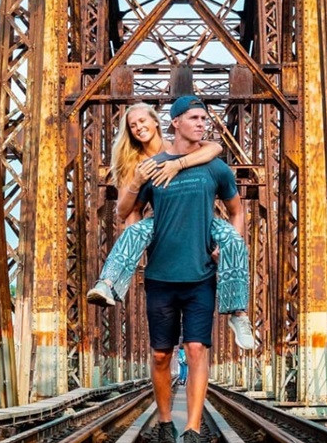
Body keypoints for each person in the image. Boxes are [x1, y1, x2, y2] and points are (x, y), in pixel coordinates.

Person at [126, 95, 244, 443]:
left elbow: (237, 210)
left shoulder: (215, 168)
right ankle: (165, 424)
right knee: (162, 355)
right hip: (160, 277)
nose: (201, 123)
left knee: (196, 349)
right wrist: (140, 239)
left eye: (204, 118)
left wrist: (229, 245)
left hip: (200, 277)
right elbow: (127, 210)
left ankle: (191, 429)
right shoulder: (152, 167)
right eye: (194, 118)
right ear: (174, 122)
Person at [85, 100, 256, 351]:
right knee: (134, 232)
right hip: (163, 220)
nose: (139, 128)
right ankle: (107, 284)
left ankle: (239, 313)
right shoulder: (134, 162)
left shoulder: (173, 147)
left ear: (157, 121)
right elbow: (126, 211)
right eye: (133, 126)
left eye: (143, 121)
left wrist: (178, 164)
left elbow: (214, 148)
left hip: (199, 219)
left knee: (234, 240)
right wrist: (137, 183)